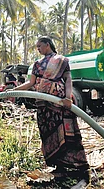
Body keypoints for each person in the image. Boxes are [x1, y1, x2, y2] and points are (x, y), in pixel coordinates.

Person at [12, 36, 90, 183]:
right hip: (43, 106)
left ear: (48, 45)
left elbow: (68, 80)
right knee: (48, 134)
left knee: (66, 133)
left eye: (39, 46)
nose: (38, 49)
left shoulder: (62, 61)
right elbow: (31, 83)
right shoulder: (37, 64)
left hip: (59, 103)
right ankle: (59, 167)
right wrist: (13, 90)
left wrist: (68, 98)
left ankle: (78, 167)